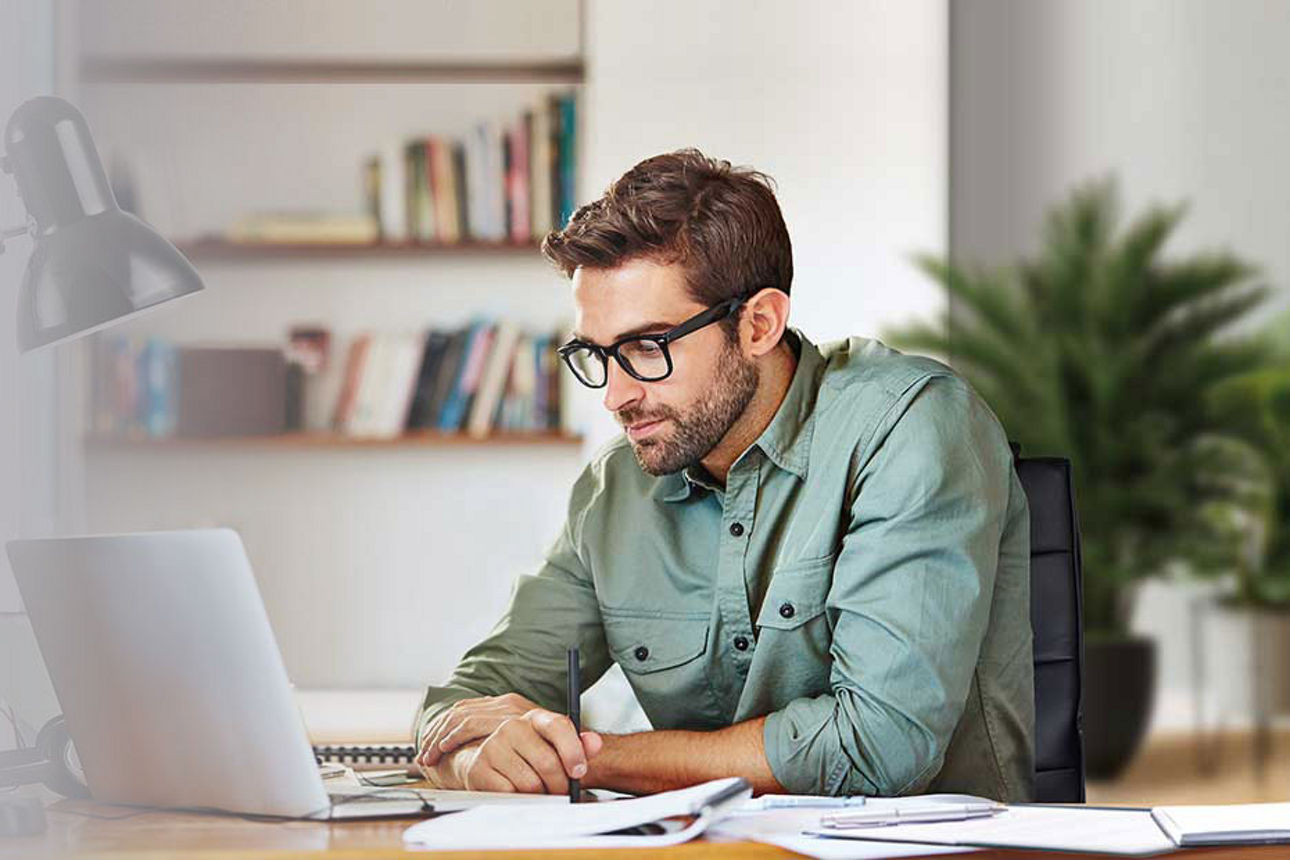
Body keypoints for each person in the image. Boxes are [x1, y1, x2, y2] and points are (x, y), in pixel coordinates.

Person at [414, 149, 1034, 801]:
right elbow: (467, 702)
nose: (615, 396)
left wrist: (583, 758)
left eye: (646, 348)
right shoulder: (614, 490)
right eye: (596, 355)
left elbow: (877, 747)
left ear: (759, 324)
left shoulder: (910, 427)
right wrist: (477, 755)